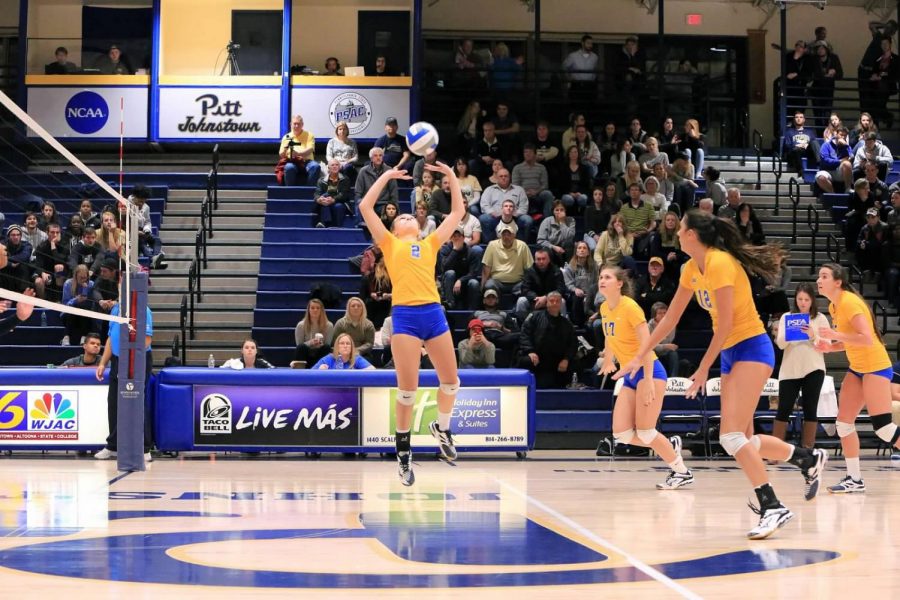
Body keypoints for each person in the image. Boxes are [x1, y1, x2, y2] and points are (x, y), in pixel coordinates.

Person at [617, 210, 827, 540]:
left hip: (752, 348)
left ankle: (772, 506)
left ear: (690, 235)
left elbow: (727, 324)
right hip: (731, 353)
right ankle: (805, 458)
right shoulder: (689, 268)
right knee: (739, 440)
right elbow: (669, 320)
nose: (677, 232)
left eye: (681, 227)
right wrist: (639, 355)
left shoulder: (721, 263)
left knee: (730, 437)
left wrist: (702, 368)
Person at [357, 160, 466, 485]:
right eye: (399, 216)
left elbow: (458, 213)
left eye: (409, 215)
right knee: (408, 391)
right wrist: (387, 176)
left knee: (451, 382)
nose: (405, 215)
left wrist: (450, 176)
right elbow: (365, 205)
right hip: (404, 315)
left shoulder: (430, 242)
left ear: (418, 227)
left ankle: (442, 428)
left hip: (432, 312)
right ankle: (403, 452)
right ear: (393, 229)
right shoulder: (390, 244)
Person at [597, 266, 692, 489]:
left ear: (619, 283)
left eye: (607, 277)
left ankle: (681, 472)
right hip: (629, 374)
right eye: (600, 277)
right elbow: (609, 337)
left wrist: (648, 379)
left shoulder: (631, 308)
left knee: (646, 431)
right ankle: (669, 446)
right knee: (621, 433)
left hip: (650, 371)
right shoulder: (604, 307)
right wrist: (609, 360)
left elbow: (647, 345)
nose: (602, 280)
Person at [816, 263, 900, 492]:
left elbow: (866, 339)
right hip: (858, 368)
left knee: (883, 428)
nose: (818, 280)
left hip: (875, 367)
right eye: (818, 276)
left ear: (838, 281)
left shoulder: (850, 302)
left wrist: (834, 335)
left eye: (824, 276)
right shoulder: (834, 305)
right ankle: (854, 479)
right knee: (843, 424)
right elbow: (849, 339)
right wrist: (830, 347)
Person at [771, 283, 829, 449]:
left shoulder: (820, 318)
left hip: (814, 368)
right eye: (800, 299)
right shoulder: (786, 317)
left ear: (812, 301)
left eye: (806, 299)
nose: (803, 303)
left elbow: (827, 345)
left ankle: (808, 450)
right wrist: (790, 333)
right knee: (784, 408)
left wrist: (813, 335)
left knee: (810, 409)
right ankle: (776, 449)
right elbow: (780, 345)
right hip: (790, 370)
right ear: (795, 300)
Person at [94, 302, 154, 463]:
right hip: (117, 360)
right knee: (113, 402)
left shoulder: (143, 309)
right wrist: (102, 363)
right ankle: (113, 446)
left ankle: (144, 448)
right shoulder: (115, 309)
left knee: (137, 402)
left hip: (137, 359)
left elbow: (146, 340)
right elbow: (110, 337)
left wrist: (130, 356)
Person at [517, 291, 576, 388]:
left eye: (557, 301)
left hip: (556, 361)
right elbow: (524, 334)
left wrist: (566, 359)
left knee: (573, 365)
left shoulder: (567, 324)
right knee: (526, 361)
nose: (554, 303)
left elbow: (573, 344)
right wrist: (530, 351)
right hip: (536, 359)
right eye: (551, 301)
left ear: (561, 303)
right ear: (546, 303)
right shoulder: (534, 316)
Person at [482, 221, 533, 295]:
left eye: (509, 234)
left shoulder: (522, 246)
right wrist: (482, 287)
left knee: (526, 286)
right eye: (504, 234)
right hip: (497, 283)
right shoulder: (492, 245)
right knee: (489, 285)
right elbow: (486, 267)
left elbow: (529, 267)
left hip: (517, 283)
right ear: (500, 236)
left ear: (514, 235)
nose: (506, 237)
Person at [515, 248, 566, 322]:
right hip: (534, 300)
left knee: (562, 301)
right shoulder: (529, 271)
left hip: (551, 299)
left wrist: (546, 298)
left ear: (549, 260)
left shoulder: (556, 271)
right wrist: (536, 298)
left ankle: (562, 327)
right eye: (538, 259)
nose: (541, 261)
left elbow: (561, 289)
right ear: (535, 260)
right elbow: (525, 289)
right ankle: (523, 327)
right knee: (521, 301)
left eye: (543, 259)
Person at [437, 226, 481, 310]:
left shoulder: (470, 252)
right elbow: (443, 268)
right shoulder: (445, 250)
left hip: (464, 284)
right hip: (448, 283)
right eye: (454, 236)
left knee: (474, 282)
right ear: (450, 238)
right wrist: (454, 251)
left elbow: (473, 273)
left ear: (463, 238)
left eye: (459, 236)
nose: (456, 238)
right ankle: (449, 304)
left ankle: (472, 309)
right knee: (450, 273)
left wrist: (460, 280)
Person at [355, 147, 399, 224]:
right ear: (371, 158)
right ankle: (362, 226)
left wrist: (393, 205)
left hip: (383, 203)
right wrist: (360, 202)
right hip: (368, 203)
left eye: (380, 155)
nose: (378, 158)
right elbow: (358, 192)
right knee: (360, 204)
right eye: (375, 155)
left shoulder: (389, 171)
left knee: (388, 209)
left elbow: (394, 192)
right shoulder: (363, 171)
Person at [276, 115, 321, 186]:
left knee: (315, 166)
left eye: (298, 124)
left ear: (302, 125)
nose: (296, 126)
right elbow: (281, 155)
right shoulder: (286, 137)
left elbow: (310, 149)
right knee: (288, 167)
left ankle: (309, 191)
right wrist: (286, 148)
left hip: (307, 161)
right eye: (294, 124)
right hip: (292, 161)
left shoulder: (309, 135)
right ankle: (290, 192)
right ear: (291, 124)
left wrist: (298, 153)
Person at [512, 143, 554, 217]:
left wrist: (536, 191)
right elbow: (515, 185)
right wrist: (525, 192)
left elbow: (545, 185)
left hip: (538, 193)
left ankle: (546, 220)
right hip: (523, 193)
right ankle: (522, 219)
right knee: (514, 195)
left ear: (535, 154)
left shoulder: (541, 167)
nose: (527, 154)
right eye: (525, 152)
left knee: (548, 194)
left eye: (530, 152)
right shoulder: (517, 168)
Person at [563, 240, 598, 326]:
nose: (582, 250)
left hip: (590, 293)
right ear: (576, 252)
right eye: (579, 248)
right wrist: (575, 289)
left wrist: (589, 295)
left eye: (584, 248)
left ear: (588, 252)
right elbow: (568, 284)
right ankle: (578, 324)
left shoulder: (594, 266)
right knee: (577, 297)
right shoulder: (569, 267)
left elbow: (596, 282)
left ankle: (590, 322)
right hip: (576, 294)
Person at [60, 264, 96, 345]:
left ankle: (84, 337)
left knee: (83, 307)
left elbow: (91, 303)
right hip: (69, 314)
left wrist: (85, 289)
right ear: (75, 276)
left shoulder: (91, 284)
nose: (83, 280)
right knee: (75, 307)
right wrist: (76, 300)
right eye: (81, 277)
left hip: (85, 314)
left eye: (85, 277)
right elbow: (65, 304)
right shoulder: (68, 283)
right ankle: (66, 337)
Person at [293, 298, 334, 367]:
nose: (315, 310)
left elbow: (328, 344)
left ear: (321, 310)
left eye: (318, 308)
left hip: (320, 356)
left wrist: (320, 344)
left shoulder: (329, 325)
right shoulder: (301, 325)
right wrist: (311, 342)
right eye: (312, 308)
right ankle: (300, 372)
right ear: (308, 310)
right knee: (301, 348)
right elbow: (299, 345)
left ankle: (323, 372)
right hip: (306, 355)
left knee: (326, 348)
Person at [332, 296, 375, 361]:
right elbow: (335, 341)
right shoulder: (340, 323)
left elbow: (369, 343)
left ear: (363, 308)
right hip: (342, 353)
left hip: (362, 354)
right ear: (348, 308)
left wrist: (356, 351)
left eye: (358, 306)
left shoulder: (369, 325)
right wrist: (345, 351)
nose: (356, 308)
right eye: (353, 306)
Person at [314, 159, 352, 228]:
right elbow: (317, 193)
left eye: (337, 165)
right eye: (332, 165)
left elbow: (344, 194)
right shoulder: (321, 180)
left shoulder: (345, 179)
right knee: (325, 196)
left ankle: (326, 224)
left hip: (340, 202)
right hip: (325, 203)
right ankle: (326, 224)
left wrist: (333, 200)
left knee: (338, 206)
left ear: (339, 167)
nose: (335, 166)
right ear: (328, 168)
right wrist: (319, 199)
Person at [563, 34, 598, 108]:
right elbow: (564, 67)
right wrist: (569, 78)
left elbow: (595, 70)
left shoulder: (595, 57)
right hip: (577, 86)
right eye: (588, 43)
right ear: (582, 43)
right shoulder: (573, 56)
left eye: (591, 43)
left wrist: (593, 79)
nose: (590, 45)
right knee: (576, 107)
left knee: (589, 108)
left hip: (590, 86)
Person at [537, 200, 576, 264]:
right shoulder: (547, 221)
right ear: (553, 211)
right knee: (547, 250)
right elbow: (540, 241)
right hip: (551, 248)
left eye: (561, 210)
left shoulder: (571, 220)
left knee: (569, 244)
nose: (559, 212)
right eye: (557, 210)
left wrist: (562, 222)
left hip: (565, 249)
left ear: (565, 210)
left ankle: (569, 269)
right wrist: (554, 247)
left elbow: (569, 237)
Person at [816, 125, 853, 193]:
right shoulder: (826, 145)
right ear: (836, 134)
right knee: (820, 177)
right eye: (841, 135)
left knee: (847, 164)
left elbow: (851, 157)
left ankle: (848, 188)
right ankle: (833, 194)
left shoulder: (846, 146)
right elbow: (825, 160)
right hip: (827, 170)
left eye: (845, 135)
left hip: (839, 171)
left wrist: (846, 146)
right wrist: (840, 161)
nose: (843, 137)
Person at [583, 184, 619, 251]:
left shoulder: (607, 210)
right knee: (593, 247)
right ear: (593, 196)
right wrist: (595, 236)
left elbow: (607, 227)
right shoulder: (588, 209)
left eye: (600, 194)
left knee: (607, 247)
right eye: (595, 194)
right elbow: (587, 227)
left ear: (603, 196)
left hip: (602, 234)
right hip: (589, 235)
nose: (598, 196)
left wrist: (601, 235)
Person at [648, 302, 679, 378]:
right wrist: (665, 346)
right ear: (654, 314)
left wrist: (659, 343)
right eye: (659, 313)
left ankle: (673, 378)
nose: (663, 315)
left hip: (665, 351)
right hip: (653, 351)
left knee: (673, 354)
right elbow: (650, 345)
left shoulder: (671, 324)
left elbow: (669, 340)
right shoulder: (648, 326)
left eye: (665, 313)